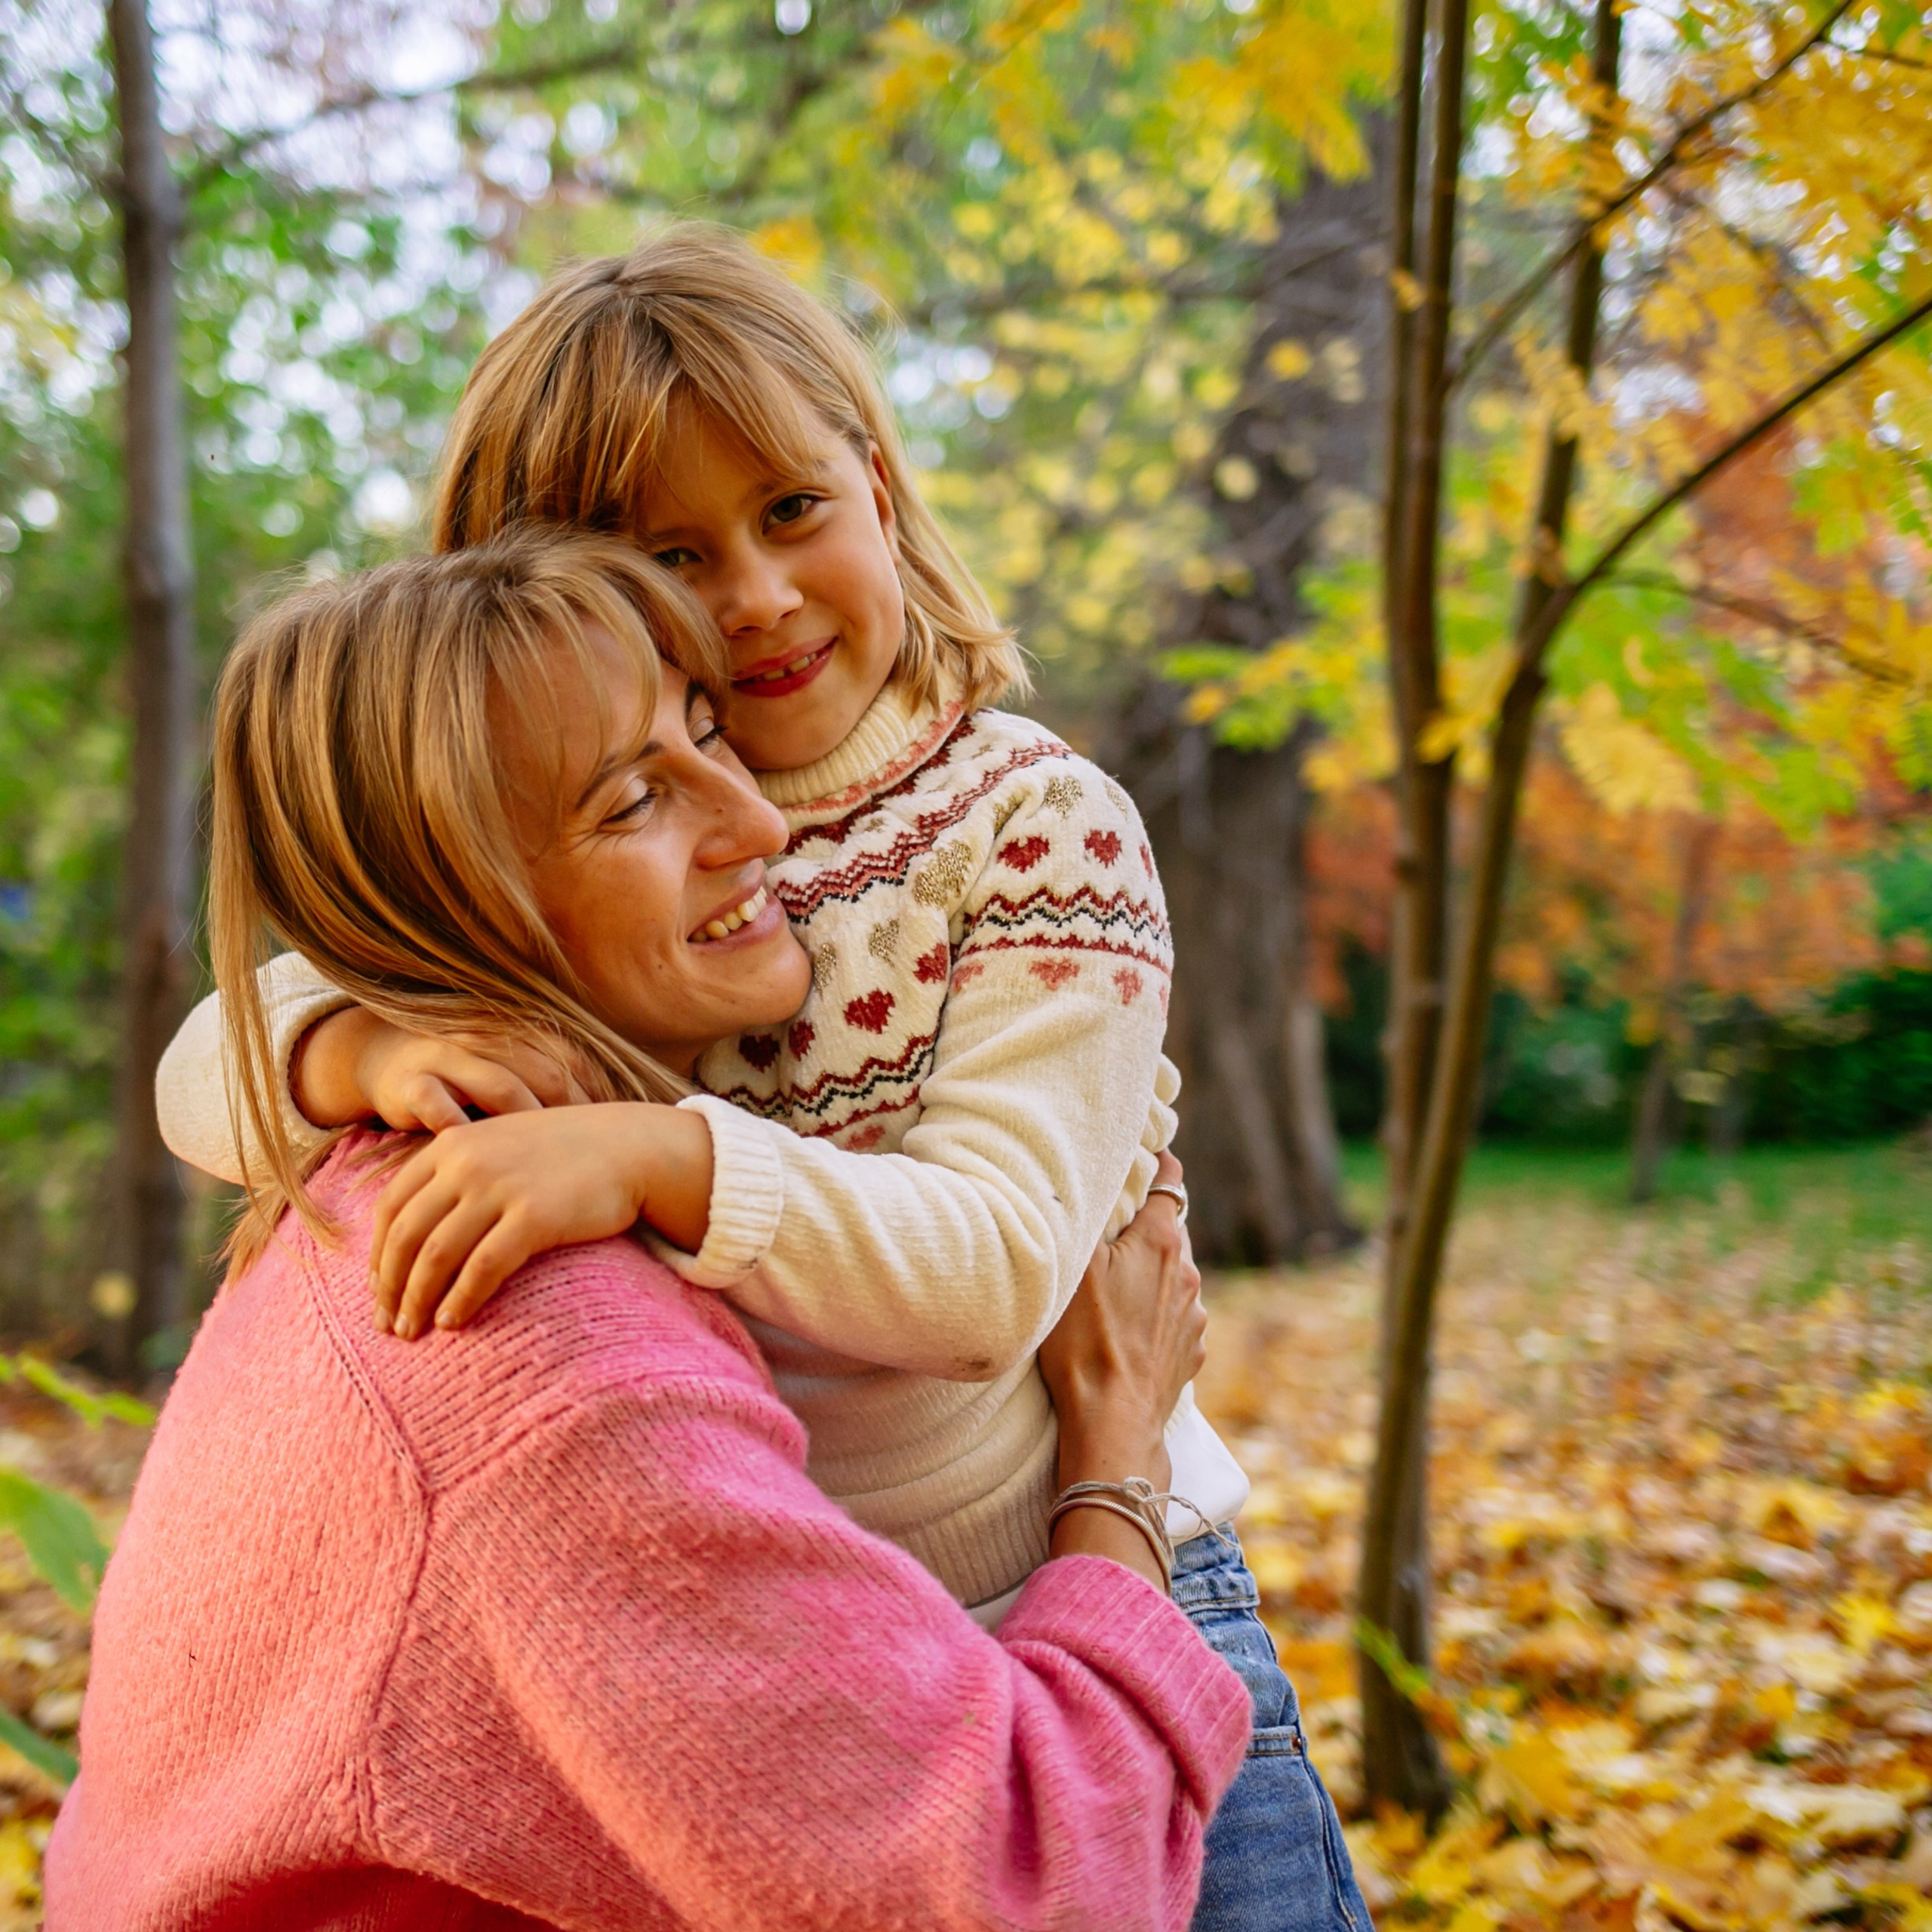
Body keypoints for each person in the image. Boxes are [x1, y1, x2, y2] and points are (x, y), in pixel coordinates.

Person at [155, 227, 1372, 1930]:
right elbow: (207, 1059)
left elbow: (997, 1269)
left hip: (1108, 1594)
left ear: (876, 479)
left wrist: (656, 1154)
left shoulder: (1031, 825)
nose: (753, 597)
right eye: (669, 554)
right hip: (816, 1663)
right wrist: (360, 1043)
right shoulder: (590, 815)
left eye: (791, 509)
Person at [44, 534, 1251, 1929]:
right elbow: (1041, 1890)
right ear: (450, 903)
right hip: (1072, 1712)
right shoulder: (541, 1351)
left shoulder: (382, 1187)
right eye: (632, 801)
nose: (765, 826)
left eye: (708, 731)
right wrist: (1117, 1466)